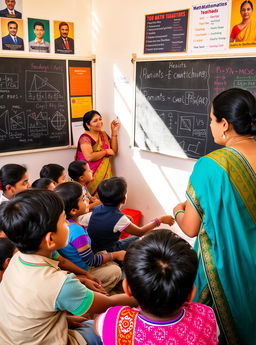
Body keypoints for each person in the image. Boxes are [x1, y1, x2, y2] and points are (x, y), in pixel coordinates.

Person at [173, 88, 256, 345]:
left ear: (225, 124)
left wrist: (177, 210)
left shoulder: (211, 165)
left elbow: (189, 228)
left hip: (225, 269)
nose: (210, 125)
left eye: (211, 119)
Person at [0, 189, 136, 345]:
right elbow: (107, 303)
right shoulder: (60, 284)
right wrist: (144, 295)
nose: (67, 224)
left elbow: (27, 309)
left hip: (12, 339)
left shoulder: (18, 259)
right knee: (106, 327)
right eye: (64, 220)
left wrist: (63, 319)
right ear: (50, 239)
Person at [94, 229, 218, 345]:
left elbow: (96, 326)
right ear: (191, 294)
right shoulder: (207, 315)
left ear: (127, 288)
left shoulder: (113, 322)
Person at [55, 182, 124, 293]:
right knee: (116, 271)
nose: (87, 200)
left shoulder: (63, 223)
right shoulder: (76, 231)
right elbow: (91, 261)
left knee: (104, 253)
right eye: (83, 199)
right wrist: (116, 255)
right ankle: (96, 292)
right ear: (73, 210)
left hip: (75, 265)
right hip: (82, 269)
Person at [87, 177, 174, 253]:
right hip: (109, 251)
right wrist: (160, 220)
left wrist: (123, 216)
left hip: (94, 247)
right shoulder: (119, 219)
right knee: (142, 237)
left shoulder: (97, 208)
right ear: (124, 199)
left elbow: (107, 217)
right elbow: (140, 232)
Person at [75, 110, 120, 195]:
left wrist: (114, 133)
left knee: (105, 198)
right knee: (91, 201)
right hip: (90, 177)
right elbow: (89, 157)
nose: (99, 122)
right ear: (88, 125)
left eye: (100, 119)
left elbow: (114, 151)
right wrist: (106, 151)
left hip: (105, 175)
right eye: (95, 121)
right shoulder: (85, 138)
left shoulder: (103, 134)